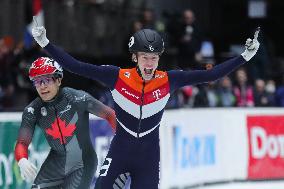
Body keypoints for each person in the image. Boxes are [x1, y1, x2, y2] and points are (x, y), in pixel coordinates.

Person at [32, 19, 260, 188]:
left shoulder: (170, 79)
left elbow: (211, 76)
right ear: (135, 58)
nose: (149, 63)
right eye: (144, 57)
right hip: (120, 150)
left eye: (154, 58)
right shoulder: (117, 76)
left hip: (149, 156)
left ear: (159, 58)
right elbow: (76, 66)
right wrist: (45, 43)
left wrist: (244, 57)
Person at [14, 57, 116, 189]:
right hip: (57, 161)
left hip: (83, 161)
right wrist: (22, 159)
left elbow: (109, 114)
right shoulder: (33, 110)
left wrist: (125, 138)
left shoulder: (77, 98)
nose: (42, 86)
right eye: (37, 82)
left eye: (47, 80)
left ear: (58, 80)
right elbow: (22, 142)